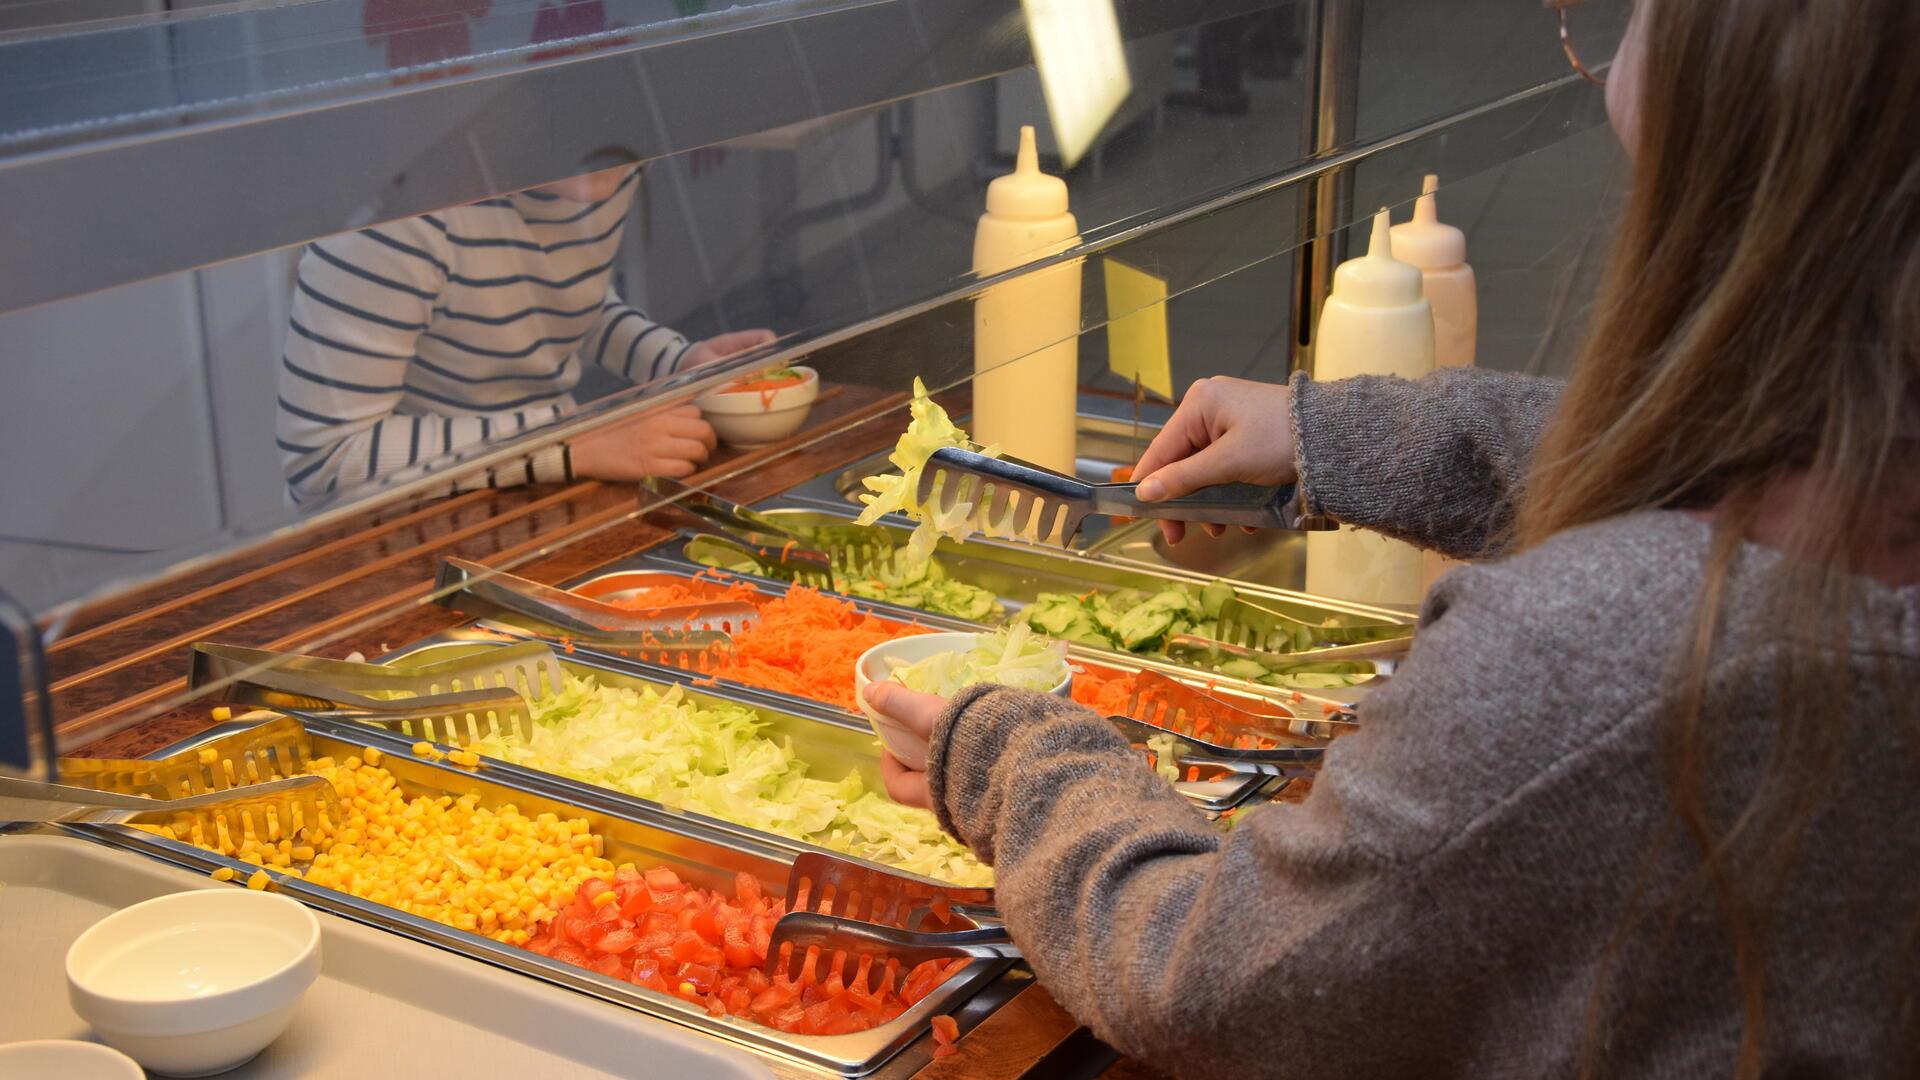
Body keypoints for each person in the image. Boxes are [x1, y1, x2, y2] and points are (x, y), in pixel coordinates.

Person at [864, 1, 1918, 1076]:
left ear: (1723, 94)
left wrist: (1014, 760)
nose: (1597, 59)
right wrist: (1339, 437)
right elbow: (1716, 450)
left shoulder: (1595, 652)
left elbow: (1208, 981)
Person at [276, 162, 772, 501]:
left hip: (536, 486)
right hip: (395, 524)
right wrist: (572, 441)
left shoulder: (613, 165)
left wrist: (673, 361)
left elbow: (561, 298)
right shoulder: (396, 214)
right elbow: (323, 464)